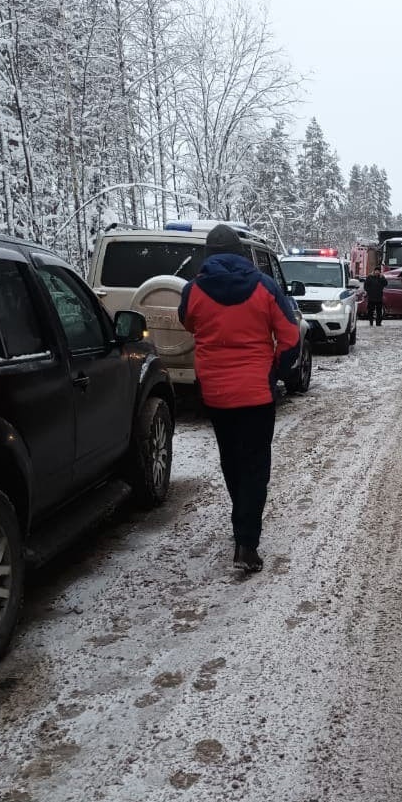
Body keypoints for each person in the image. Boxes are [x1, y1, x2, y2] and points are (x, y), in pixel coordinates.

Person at [178, 225, 299, 573]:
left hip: (216, 394)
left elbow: (187, 322)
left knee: (231, 460)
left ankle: (241, 524)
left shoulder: (194, 291)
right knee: (256, 465)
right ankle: (247, 541)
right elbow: (290, 338)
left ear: (208, 255)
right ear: (241, 253)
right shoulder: (266, 287)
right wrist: (274, 372)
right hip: (257, 393)